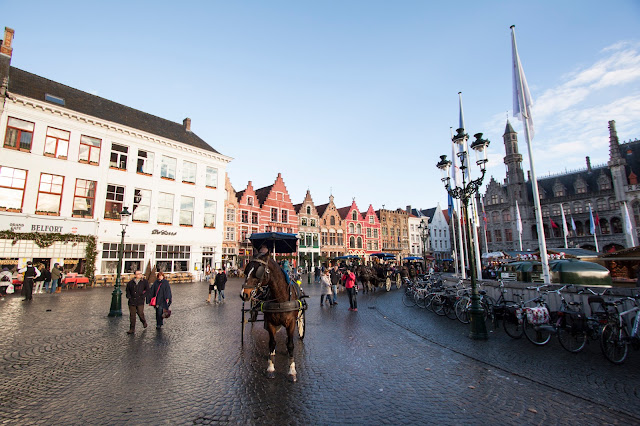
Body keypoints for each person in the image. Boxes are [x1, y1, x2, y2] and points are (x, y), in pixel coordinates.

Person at [125, 270, 149, 334]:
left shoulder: (144, 282)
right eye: (138, 274)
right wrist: (128, 296)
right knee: (132, 315)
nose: (139, 275)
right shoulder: (130, 283)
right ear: (135, 275)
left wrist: (143, 296)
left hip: (140, 301)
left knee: (140, 313)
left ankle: (143, 322)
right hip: (132, 301)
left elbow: (147, 290)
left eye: (140, 273)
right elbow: (127, 290)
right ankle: (132, 329)